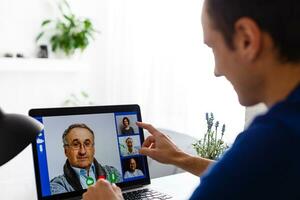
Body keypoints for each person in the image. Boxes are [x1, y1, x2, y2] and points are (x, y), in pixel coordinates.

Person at [83, 0, 300, 199]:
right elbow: (252, 178)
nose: (217, 71)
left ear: (246, 39)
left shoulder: (271, 143)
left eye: (213, 47)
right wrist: (179, 157)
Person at [50, 123, 122, 194]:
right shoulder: (57, 185)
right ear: (66, 151)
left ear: (93, 149)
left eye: (87, 144)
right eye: (76, 145)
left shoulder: (112, 172)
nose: (82, 151)